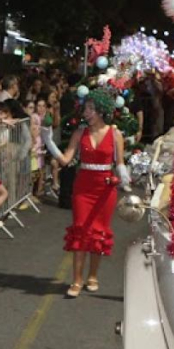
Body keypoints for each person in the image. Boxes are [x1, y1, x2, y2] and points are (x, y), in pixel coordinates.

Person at [50, 89, 126, 298]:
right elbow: (66, 161)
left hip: (105, 189)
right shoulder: (79, 133)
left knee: (99, 231)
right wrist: (49, 143)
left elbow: (119, 163)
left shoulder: (115, 133)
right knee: (81, 230)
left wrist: (123, 176)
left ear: (101, 111)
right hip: (83, 187)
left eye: (90, 109)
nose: (86, 112)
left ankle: (92, 275)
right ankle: (76, 279)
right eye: (85, 108)